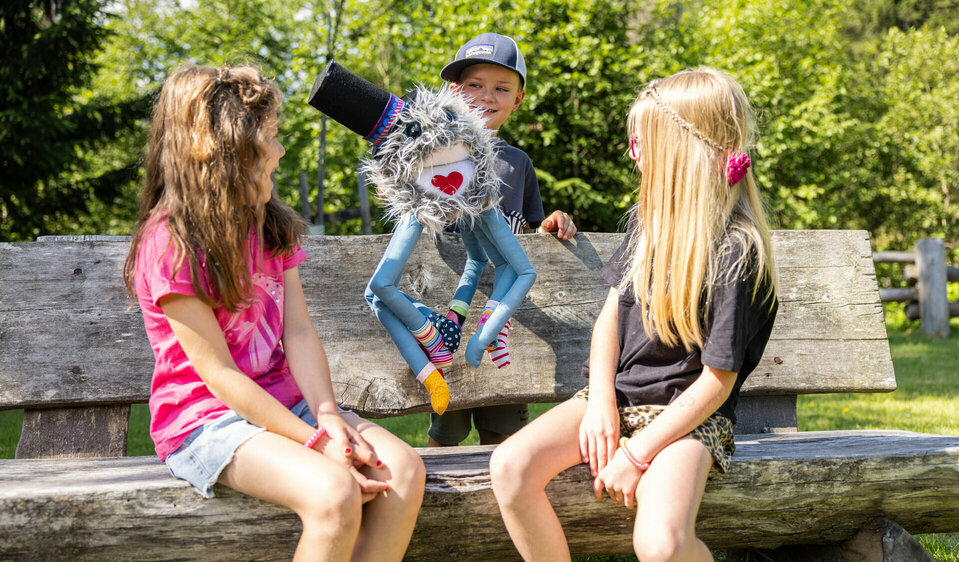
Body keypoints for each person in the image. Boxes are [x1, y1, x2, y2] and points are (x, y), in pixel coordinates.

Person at [123, 65, 425, 561]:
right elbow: (219, 376)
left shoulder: (268, 226)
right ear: (226, 153)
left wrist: (327, 415)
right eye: (270, 139)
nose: (280, 152)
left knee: (405, 472)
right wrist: (316, 443)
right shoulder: (171, 246)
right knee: (335, 494)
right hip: (206, 421)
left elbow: (299, 333)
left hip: (289, 406)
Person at [488, 67, 779, 561]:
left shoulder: (736, 252)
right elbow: (609, 319)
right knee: (511, 467)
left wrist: (636, 453)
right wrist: (600, 401)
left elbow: (716, 382)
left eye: (641, 143)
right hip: (615, 399)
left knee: (661, 545)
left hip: (688, 418)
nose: (631, 153)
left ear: (679, 150)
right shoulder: (650, 226)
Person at [427, 32, 578, 447]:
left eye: (501, 88)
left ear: (519, 100)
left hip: (504, 323)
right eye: (474, 85)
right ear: (453, 92)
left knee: (504, 433)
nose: (486, 96)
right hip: (449, 317)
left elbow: (527, 232)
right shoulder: (434, 154)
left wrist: (553, 222)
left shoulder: (517, 164)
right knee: (446, 431)